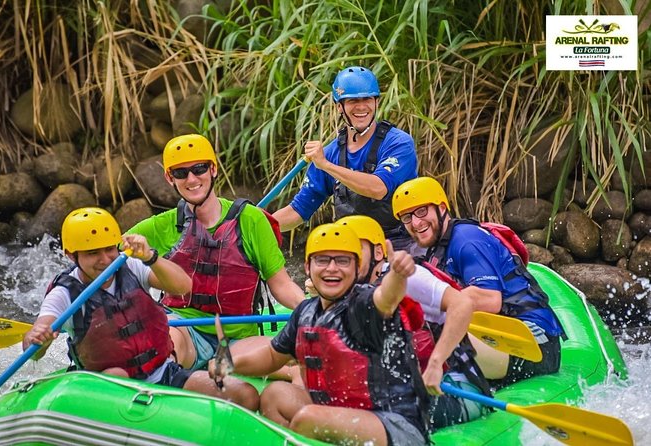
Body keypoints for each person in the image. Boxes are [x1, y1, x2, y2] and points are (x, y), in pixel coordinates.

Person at [211, 223, 431, 445]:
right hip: (338, 413)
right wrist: (228, 363)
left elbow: (388, 298)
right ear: (308, 266)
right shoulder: (305, 312)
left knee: (309, 418)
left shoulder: (364, 304)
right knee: (275, 395)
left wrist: (398, 275)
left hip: (394, 425)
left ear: (357, 267)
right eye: (322, 260)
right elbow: (271, 356)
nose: (332, 268)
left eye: (343, 260)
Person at [23, 207, 259, 410]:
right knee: (117, 375)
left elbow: (184, 286)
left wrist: (151, 257)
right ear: (71, 255)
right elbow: (35, 342)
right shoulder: (64, 293)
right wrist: (38, 340)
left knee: (244, 394)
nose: (105, 259)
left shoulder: (131, 266)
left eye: (109, 249)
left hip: (163, 372)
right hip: (106, 384)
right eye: (93, 253)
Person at [126, 134, 304, 371]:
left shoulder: (251, 220)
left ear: (213, 169)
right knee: (165, 342)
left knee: (285, 358)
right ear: (170, 178)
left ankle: (281, 374)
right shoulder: (159, 227)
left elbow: (281, 285)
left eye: (199, 169)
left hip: (240, 335)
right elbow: (103, 260)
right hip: (183, 327)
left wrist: (309, 310)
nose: (191, 179)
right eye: (180, 173)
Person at [391, 177, 565, 386]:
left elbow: (491, 300)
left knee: (435, 334)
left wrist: (426, 309)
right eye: (407, 217)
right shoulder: (437, 250)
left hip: (535, 341)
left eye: (421, 211)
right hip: (495, 337)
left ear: (442, 208)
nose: (416, 223)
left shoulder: (467, 240)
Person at [334, 215, 490, 429]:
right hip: (406, 387)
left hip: (455, 387)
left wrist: (436, 363)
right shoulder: (352, 292)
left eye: (355, 251)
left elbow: (462, 303)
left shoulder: (407, 277)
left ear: (378, 252)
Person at [272, 66, 420, 253]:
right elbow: (299, 210)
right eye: (352, 101)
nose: (361, 107)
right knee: (312, 282)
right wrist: (261, 224)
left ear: (376, 102)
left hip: (397, 242)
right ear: (339, 106)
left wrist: (326, 165)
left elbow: (377, 188)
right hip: (351, 246)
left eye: (366, 99)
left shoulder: (399, 143)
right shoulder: (330, 152)